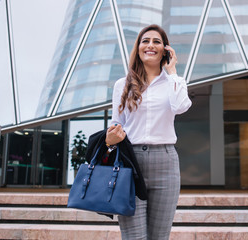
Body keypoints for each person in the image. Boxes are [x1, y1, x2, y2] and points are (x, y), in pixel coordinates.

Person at [105, 24, 192, 239]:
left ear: (165, 49)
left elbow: (181, 107)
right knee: (134, 236)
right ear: (138, 47)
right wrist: (109, 138)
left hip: (166, 161)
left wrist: (172, 72)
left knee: (159, 236)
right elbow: (117, 124)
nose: (150, 45)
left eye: (156, 41)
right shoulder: (122, 85)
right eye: (145, 41)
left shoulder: (174, 82)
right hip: (131, 162)